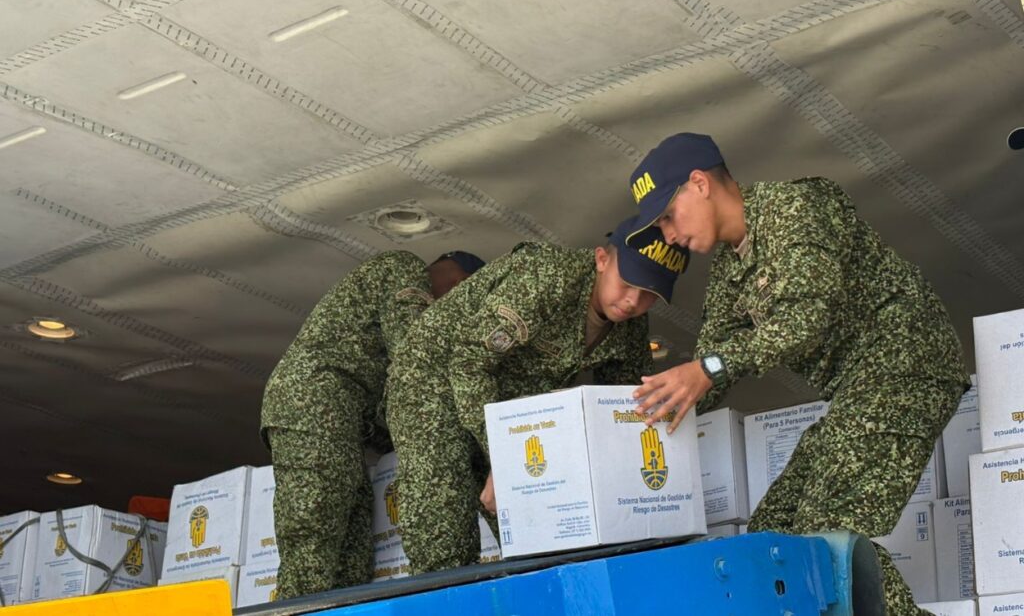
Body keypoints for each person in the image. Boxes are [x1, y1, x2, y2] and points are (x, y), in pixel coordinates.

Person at [626, 133, 969, 615]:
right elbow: (708, 364)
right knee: (773, 538)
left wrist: (707, 369)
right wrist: (619, 425)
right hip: (855, 392)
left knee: (825, 537)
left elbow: (803, 320)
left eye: (667, 216)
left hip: (906, 362)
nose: (668, 235)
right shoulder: (729, 269)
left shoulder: (796, 206)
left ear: (699, 184)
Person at [385, 217, 688, 574]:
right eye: (628, 282)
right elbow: (468, 363)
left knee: (537, 534)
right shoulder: (546, 278)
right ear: (602, 260)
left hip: (506, 406)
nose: (633, 301)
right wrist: (507, 459)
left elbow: (622, 406)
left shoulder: (630, 326)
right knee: (444, 531)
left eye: (650, 294)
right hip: (431, 381)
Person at [261, 250, 484, 599]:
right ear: (459, 284)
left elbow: (397, 408)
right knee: (311, 549)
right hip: (312, 406)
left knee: (351, 560)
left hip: (342, 423)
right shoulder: (405, 268)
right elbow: (414, 355)